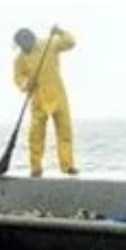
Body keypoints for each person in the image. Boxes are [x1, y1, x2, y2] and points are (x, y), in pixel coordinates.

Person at [12, 26, 78, 177]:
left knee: (65, 132)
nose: (25, 45)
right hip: (38, 99)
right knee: (36, 135)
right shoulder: (19, 59)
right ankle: (36, 168)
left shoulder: (49, 44)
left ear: (32, 37)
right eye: (21, 44)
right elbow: (18, 78)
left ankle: (68, 166)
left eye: (26, 40)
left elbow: (71, 43)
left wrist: (61, 32)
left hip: (59, 95)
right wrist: (26, 84)